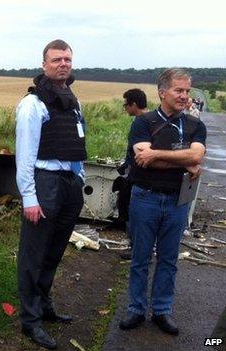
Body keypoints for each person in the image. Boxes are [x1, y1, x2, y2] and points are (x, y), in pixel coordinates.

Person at [119, 68, 206, 336]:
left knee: (169, 259)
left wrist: (157, 154)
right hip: (145, 197)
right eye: (179, 90)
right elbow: (141, 158)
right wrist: (183, 159)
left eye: (187, 91)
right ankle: (136, 308)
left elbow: (197, 157)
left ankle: (161, 310)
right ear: (162, 92)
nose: (184, 96)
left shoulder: (195, 125)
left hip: (177, 201)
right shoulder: (143, 122)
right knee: (140, 257)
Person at [15, 39, 86, 350]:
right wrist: (29, 197)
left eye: (67, 59)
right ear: (44, 64)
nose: (63, 64)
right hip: (45, 184)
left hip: (69, 185)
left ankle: (44, 306)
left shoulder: (73, 101)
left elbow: (76, 143)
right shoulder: (33, 104)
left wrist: (79, 176)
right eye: (57, 59)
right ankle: (30, 321)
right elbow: (25, 155)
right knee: (34, 254)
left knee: (55, 251)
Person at [117, 89, 149, 260]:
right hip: (137, 172)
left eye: (126, 104)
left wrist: (129, 166)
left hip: (136, 175)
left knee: (131, 209)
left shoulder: (141, 122)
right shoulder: (151, 119)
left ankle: (135, 248)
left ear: (133, 104)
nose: (125, 108)